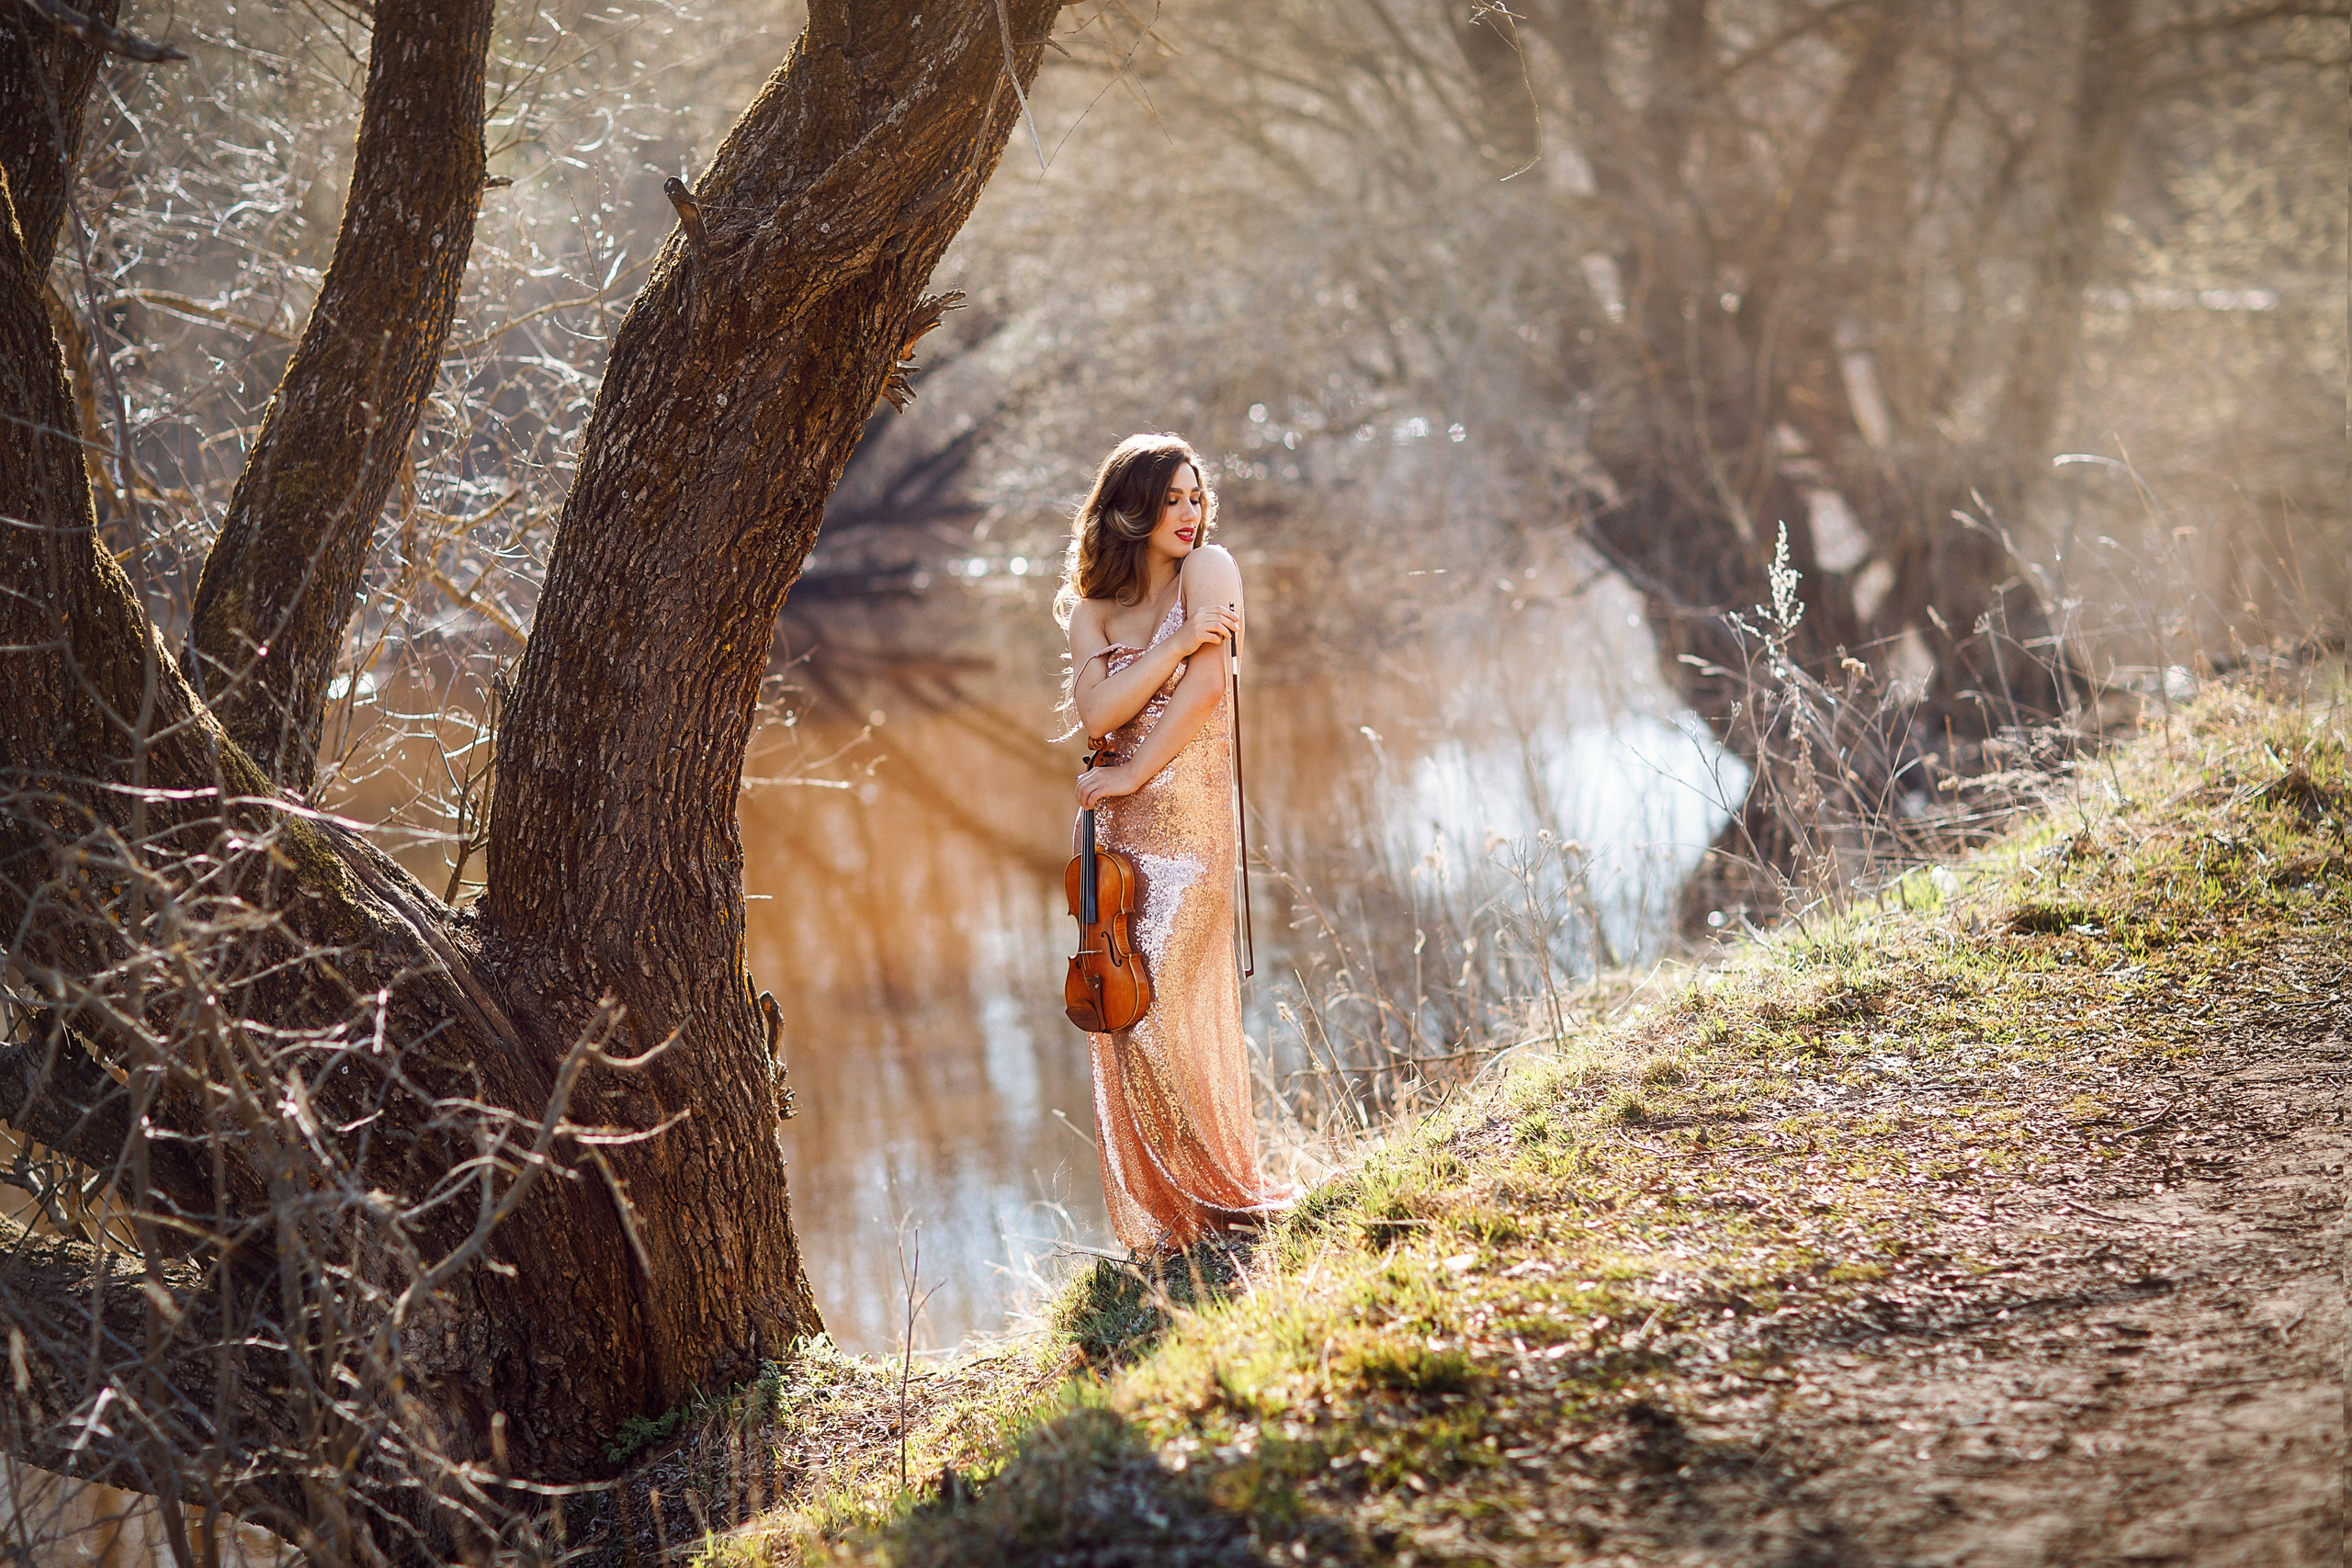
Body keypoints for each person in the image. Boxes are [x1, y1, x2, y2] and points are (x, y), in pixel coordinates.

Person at [1057, 433, 1298, 1255]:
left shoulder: (1211, 570)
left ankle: (1218, 1195)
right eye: (1170, 500)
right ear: (1130, 509)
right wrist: (1172, 641)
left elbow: (1205, 689)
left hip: (1189, 822)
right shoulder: (1091, 612)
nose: (1189, 513)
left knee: (1168, 1003)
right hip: (1116, 833)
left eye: (1195, 496)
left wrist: (1133, 770)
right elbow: (1100, 716)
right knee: (1127, 1014)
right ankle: (1172, 1217)